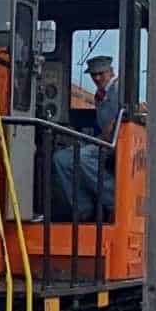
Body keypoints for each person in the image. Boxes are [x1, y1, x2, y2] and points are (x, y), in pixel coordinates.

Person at [52, 54, 119, 219]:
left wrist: (98, 139)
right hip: (102, 139)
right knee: (61, 158)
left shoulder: (119, 89)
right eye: (93, 75)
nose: (97, 78)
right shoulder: (100, 94)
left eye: (101, 73)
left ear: (111, 71)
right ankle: (83, 209)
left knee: (82, 157)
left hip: (117, 142)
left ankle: (114, 199)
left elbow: (114, 124)